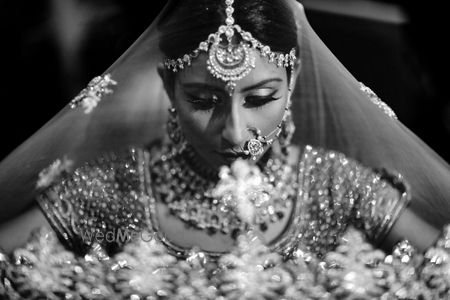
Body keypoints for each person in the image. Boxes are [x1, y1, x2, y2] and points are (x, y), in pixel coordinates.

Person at [0, 0, 449, 298]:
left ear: (292, 85)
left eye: (259, 100)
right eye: (202, 101)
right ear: (168, 87)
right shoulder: (116, 186)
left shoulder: (336, 186)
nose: (235, 134)